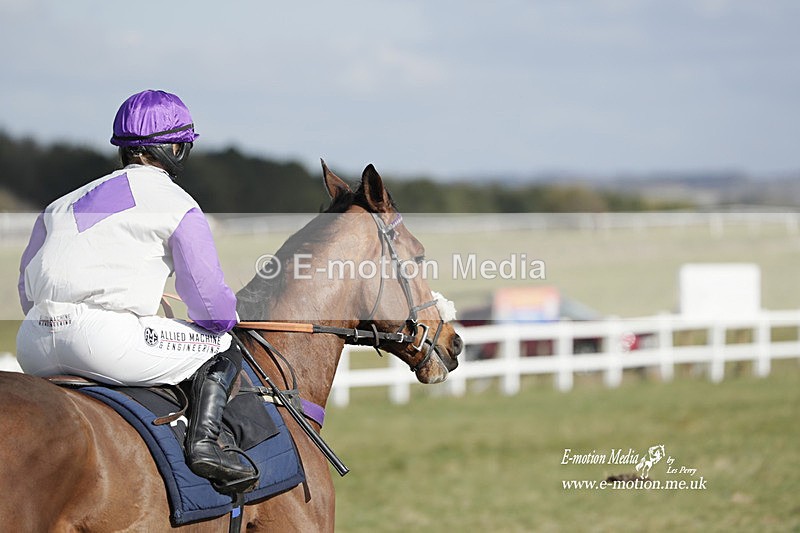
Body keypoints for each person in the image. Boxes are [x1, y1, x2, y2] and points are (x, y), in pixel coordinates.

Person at [16, 89, 256, 489]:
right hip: (102, 343)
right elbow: (210, 305)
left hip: (33, 341)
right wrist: (225, 320)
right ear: (177, 148)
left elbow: (27, 290)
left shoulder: (60, 204)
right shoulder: (178, 203)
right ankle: (205, 447)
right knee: (224, 346)